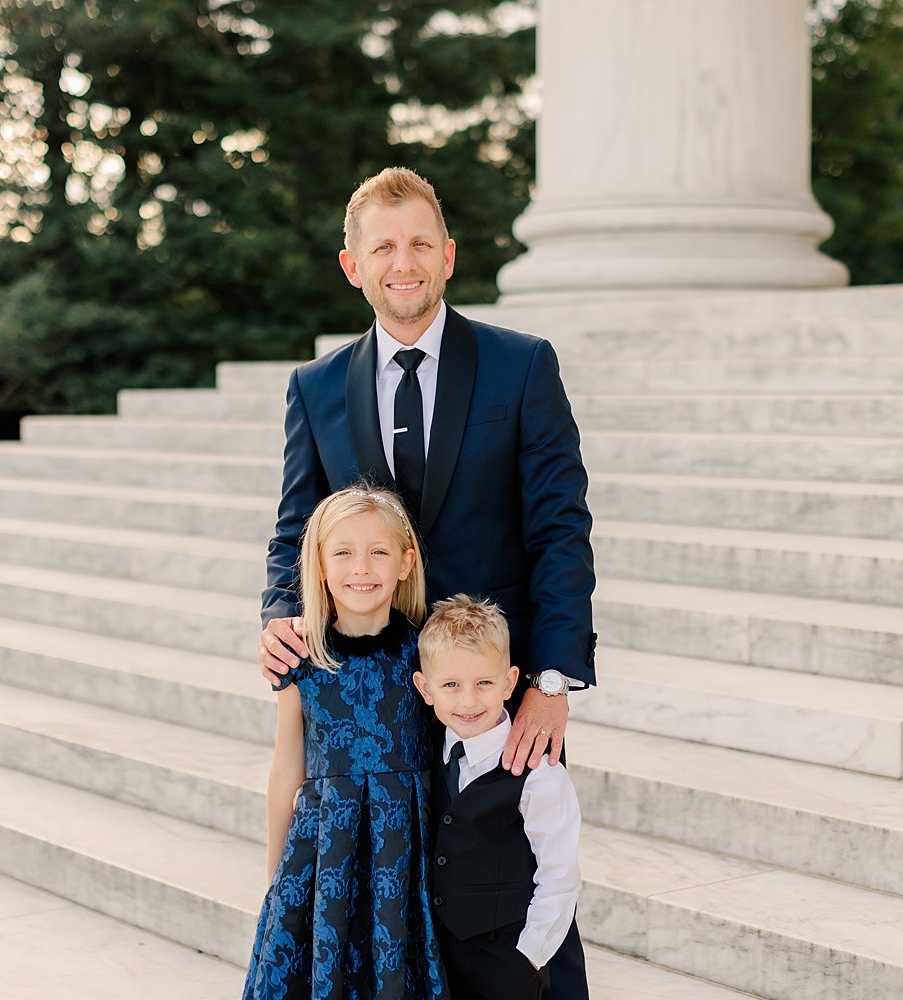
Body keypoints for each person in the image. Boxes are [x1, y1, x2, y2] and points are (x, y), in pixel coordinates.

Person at [256, 166, 595, 998]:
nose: (401, 262)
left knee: (511, 900)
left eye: (417, 244)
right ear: (353, 265)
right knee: (393, 901)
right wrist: (278, 611)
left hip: (487, 684)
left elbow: (560, 529)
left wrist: (550, 681)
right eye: (382, 248)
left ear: (447, 255)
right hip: (370, 681)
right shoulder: (317, 386)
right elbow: (297, 523)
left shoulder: (522, 368)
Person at [244, 486, 445, 1000]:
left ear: (406, 562)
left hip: (405, 853)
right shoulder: (300, 659)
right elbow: (286, 766)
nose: (361, 568)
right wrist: (277, 876)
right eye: (343, 553)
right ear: (318, 565)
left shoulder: (426, 652)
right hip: (321, 852)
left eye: (378, 552)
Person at [411, 595, 582, 1000]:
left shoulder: (539, 773)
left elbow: (559, 877)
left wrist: (529, 957)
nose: (468, 701)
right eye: (451, 685)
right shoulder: (428, 754)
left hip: (508, 965)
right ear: (425, 688)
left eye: (483, 683)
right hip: (443, 961)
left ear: (509, 682)